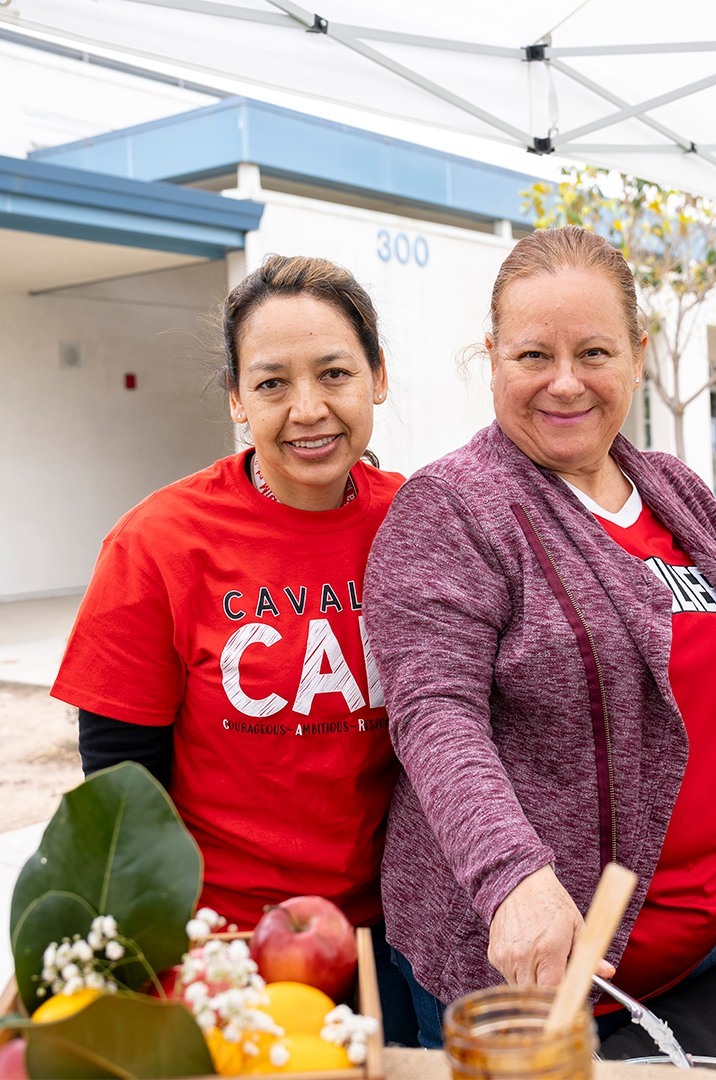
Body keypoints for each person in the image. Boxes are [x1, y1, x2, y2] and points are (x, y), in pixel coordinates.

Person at [362, 226, 716, 1054]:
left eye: (594, 351)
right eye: (534, 356)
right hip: (544, 988)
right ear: (491, 357)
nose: (565, 383)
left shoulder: (671, 488)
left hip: (713, 951)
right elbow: (435, 714)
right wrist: (513, 879)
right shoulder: (453, 508)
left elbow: (708, 656)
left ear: (638, 354)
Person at [51, 254, 417, 1043]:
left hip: (391, 934)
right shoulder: (158, 544)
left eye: (334, 374)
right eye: (272, 383)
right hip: (225, 946)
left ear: (377, 377)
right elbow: (119, 782)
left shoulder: (422, 524)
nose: (308, 409)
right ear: (235, 399)